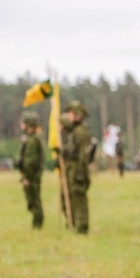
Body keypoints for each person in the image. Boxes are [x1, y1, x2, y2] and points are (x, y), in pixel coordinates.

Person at [60, 100, 92, 234]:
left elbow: (83, 155)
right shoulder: (73, 132)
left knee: (79, 199)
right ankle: (72, 223)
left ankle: (81, 227)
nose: (68, 116)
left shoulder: (80, 132)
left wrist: (79, 173)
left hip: (78, 170)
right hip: (71, 169)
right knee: (68, 197)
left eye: (71, 114)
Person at [17, 110, 44, 229]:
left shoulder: (32, 141)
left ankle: (37, 224)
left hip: (31, 176)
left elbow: (30, 161)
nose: (21, 124)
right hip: (32, 175)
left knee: (34, 200)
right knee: (33, 200)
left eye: (23, 122)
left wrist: (27, 177)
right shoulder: (31, 139)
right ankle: (37, 223)